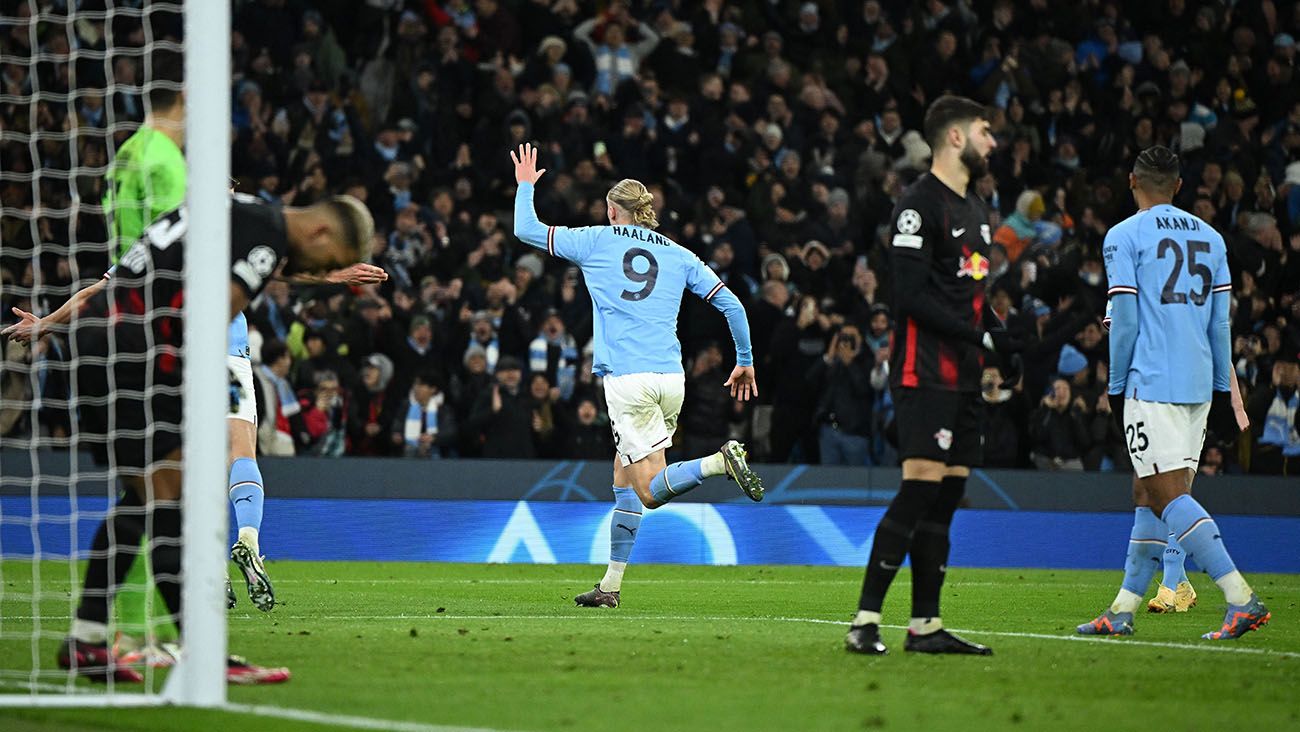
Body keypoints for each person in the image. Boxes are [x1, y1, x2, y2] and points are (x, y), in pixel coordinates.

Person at [55, 193, 372, 683]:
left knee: (143, 500)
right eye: (326, 261)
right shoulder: (264, 236)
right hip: (140, 352)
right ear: (321, 234)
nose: (320, 268)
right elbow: (207, 317)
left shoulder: (244, 213)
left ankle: (87, 638)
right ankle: (202, 652)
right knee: (170, 501)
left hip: (104, 341)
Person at [510, 142, 761, 609]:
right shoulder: (679, 252)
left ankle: (718, 462)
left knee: (649, 489)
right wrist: (744, 358)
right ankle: (610, 586)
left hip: (629, 380)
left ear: (611, 210)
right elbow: (732, 303)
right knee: (624, 477)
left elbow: (526, 229)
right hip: (671, 378)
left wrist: (526, 183)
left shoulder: (596, 239)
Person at [845, 95, 1019, 657]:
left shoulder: (978, 209)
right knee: (919, 488)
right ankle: (864, 622)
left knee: (948, 496)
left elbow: (970, 297)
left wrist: (1000, 338)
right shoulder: (918, 206)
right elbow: (911, 297)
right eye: (985, 132)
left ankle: (925, 625)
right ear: (954, 137)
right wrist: (981, 336)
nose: (993, 143)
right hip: (924, 371)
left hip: (965, 376)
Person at [1078, 145, 1270, 640]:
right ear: (1180, 186)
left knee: (1167, 497)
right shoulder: (1211, 237)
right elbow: (1220, 325)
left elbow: (1124, 321)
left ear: (1132, 181)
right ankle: (1122, 610)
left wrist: (1117, 387)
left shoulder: (1124, 235)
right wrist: (1225, 390)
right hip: (1197, 386)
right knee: (1149, 492)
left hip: (1151, 380)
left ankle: (1240, 597)